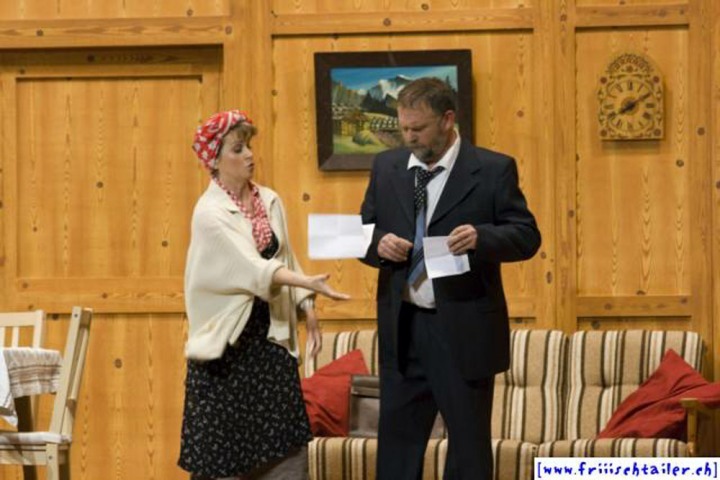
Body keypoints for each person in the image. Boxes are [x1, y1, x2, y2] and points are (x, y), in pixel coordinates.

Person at [360, 77, 541, 479]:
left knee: (468, 455)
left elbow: (527, 236)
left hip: (463, 331)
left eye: (418, 128)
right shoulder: (387, 167)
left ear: (447, 120)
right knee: (396, 454)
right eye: (404, 128)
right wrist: (378, 244)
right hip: (402, 329)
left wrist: (482, 238)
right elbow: (362, 231)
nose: (409, 137)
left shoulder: (493, 169)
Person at [179, 109, 348, 480]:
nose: (249, 155)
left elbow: (285, 258)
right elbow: (253, 269)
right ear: (215, 161)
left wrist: (307, 306)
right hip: (227, 351)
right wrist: (308, 283)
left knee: (285, 453)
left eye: (249, 146)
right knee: (223, 460)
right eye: (238, 149)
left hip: (270, 345)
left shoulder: (269, 200)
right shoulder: (209, 213)